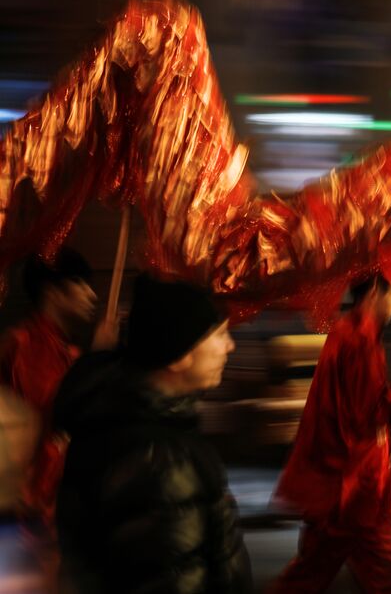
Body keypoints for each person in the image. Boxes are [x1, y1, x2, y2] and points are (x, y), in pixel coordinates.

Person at [52, 273, 250, 593]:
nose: (230, 346)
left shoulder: (120, 423)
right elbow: (173, 578)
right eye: (220, 334)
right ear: (180, 355)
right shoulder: (159, 458)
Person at [271, 273, 391, 594]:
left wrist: (385, 445)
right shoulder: (360, 338)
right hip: (355, 487)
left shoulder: (351, 332)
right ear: (374, 291)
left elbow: (352, 413)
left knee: (309, 575)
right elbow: (367, 415)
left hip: (337, 482)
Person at [0, 249, 116, 546]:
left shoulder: (69, 351)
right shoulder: (26, 344)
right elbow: (55, 415)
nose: (92, 295)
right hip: (32, 511)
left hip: (57, 507)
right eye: (80, 283)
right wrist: (97, 360)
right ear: (52, 292)